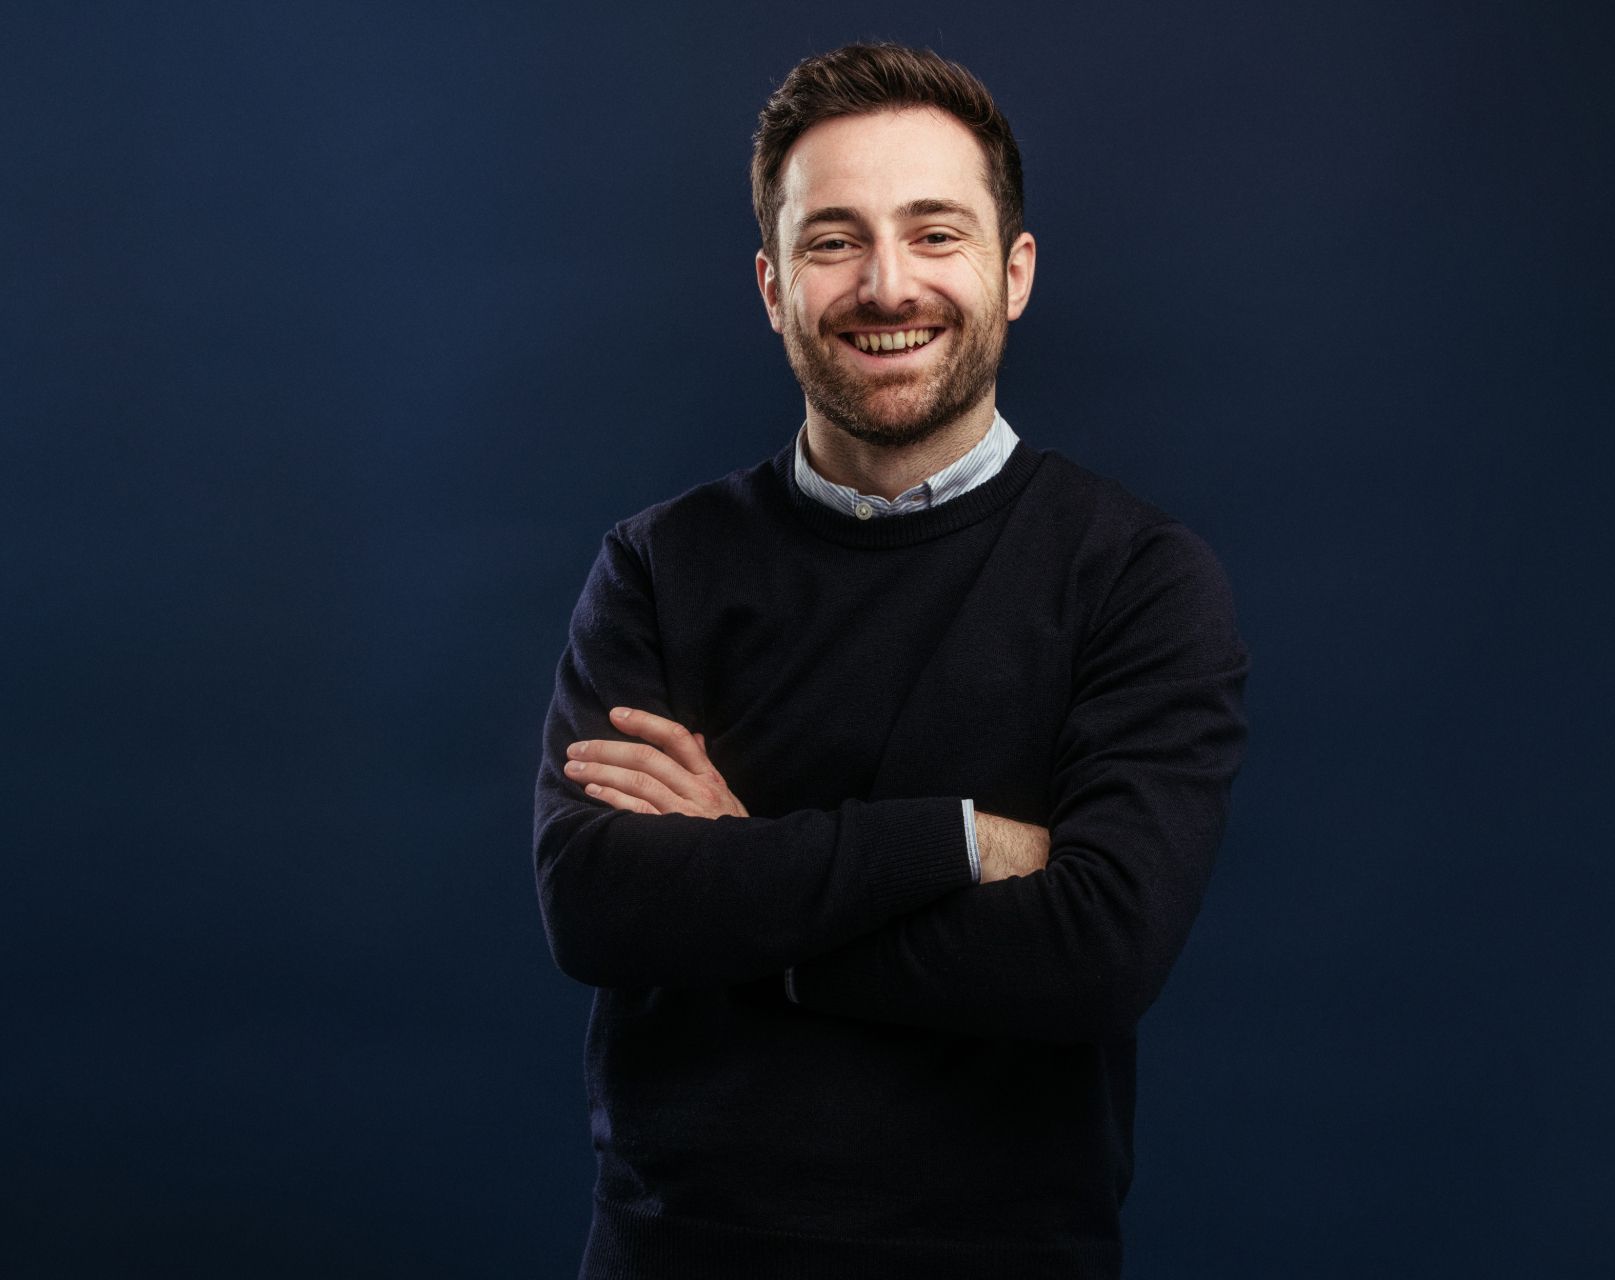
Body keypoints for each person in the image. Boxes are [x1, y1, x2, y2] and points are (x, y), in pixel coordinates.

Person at [532, 41, 1248, 1279]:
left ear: (1014, 271)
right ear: (772, 285)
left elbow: (1096, 951)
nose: (886, 284)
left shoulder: (1138, 578)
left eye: (935, 233)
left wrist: (741, 876)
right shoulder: (656, 564)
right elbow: (597, 904)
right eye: (834, 241)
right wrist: (954, 839)